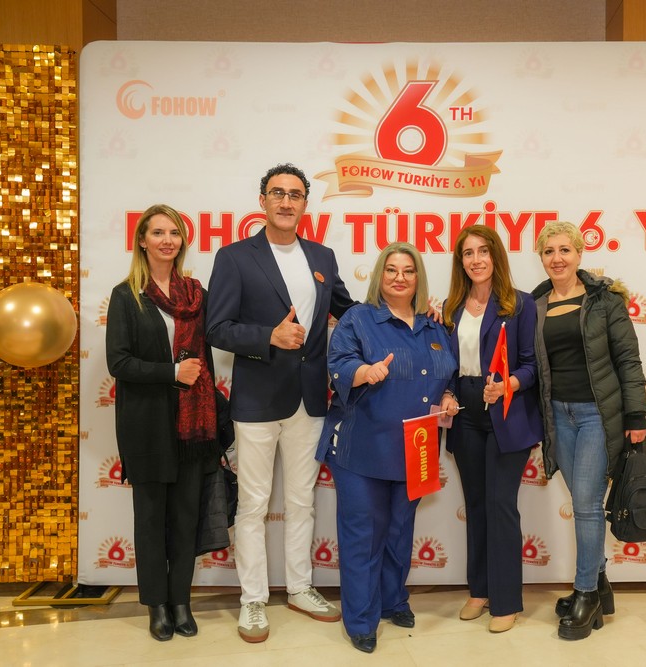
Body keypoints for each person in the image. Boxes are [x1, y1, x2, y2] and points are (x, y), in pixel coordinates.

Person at [206, 163, 353, 642]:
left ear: (305, 204)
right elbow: (217, 329)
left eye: (295, 194)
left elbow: (348, 312)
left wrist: (403, 313)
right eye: (277, 193)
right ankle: (252, 599)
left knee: (301, 501)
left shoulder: (323, 256)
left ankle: (300, 587)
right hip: (257, 400)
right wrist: (268, 336)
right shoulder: (234, 257)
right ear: (263, 201)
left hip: (310, 399)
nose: (286, 202)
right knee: (252, 505)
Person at [315, 243, 457, 653]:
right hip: (362, 447)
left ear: (418, 278)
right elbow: (338, 363)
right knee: (363, 535)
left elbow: (447, 372)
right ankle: (361, 620)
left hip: (417, 447)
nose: (400, 277)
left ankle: (393, 600)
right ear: (380, 275)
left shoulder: (434, 325)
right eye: (391, 269)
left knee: (399, 531)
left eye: (408, 271)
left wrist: (449, 396)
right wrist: (365, 370)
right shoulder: (358, 318)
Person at [106, 204, 222, 641]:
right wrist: (172, 372)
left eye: (174, 233)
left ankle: (180, 602)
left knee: (186, 517)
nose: (167, 240)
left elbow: (208, 355)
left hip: (193, 427)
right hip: (146, 425)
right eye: (158, 232)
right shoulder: (126, 296)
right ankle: (156, 604)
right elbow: (119, 362)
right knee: (151, 519)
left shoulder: (196, 293)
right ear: (142, 240)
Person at [531, 221, 646, 641]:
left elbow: (628, 360)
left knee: (585, 503)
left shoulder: (604, 300)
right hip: (556, 417)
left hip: (596, 414)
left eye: (565, 249)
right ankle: (599, 587)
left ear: (580, 254)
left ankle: (585, 594)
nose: (557, 258)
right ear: (541, 257)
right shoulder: (536, 303)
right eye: (548, 251)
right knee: (584, 503)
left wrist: (636, 417)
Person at [440, 226, 543, 633]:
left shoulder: (520, 304)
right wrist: (448, 392)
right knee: (477, 504)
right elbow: (448, 365)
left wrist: (508, 385)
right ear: (460, 262)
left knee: (500, 506)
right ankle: (480, 590)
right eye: (468, 253)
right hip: (466, 411)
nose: (476, 259)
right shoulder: (450, 307)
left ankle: (506, 600)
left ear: (496, 256)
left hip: (506, 411)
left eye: (483, 251)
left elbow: (532, 365)